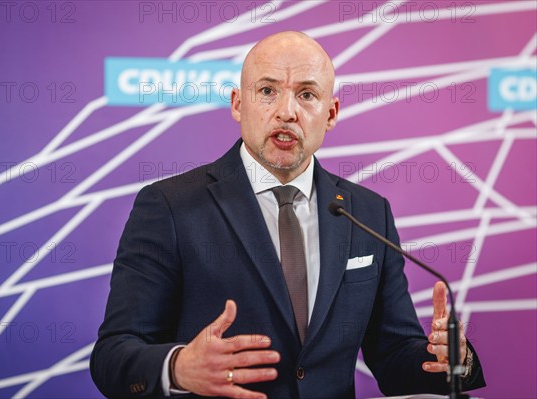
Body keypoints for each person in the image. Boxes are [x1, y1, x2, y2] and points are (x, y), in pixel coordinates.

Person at [90, 31, 485, 398]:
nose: (287, 112)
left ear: (330, 114)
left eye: (307, 95)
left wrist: (451, 362)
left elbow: (395, 354)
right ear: (237, 104)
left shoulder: (367, 213)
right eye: (267, 91)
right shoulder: (170, 206)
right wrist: (178, 368)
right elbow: (113, 355)